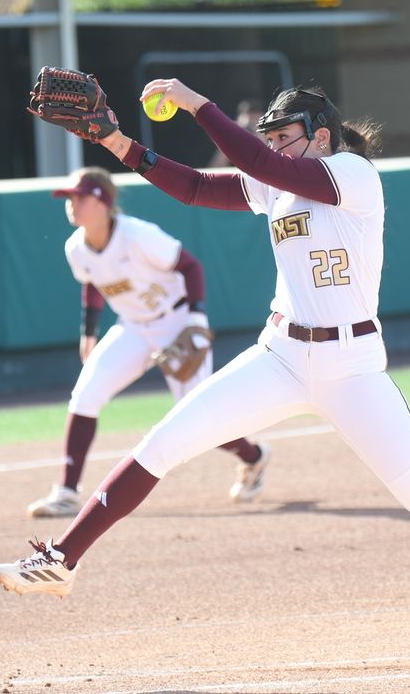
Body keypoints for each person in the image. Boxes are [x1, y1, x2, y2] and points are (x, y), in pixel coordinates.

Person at [0, 77, 410, 653]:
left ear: (320, 134)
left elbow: (256, 164)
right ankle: (61, 560)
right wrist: (119, 141)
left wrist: (193, 101)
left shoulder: (352, 174)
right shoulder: (278, 178)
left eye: (284, 134)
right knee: (164, 442)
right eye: (271, 137)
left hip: (353, 366)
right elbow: (198, 188)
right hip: (281, 353)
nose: (273, 147)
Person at [26, 166, 271, 517]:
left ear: (102, 201)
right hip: (133, 329)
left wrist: (196, 316)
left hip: (177, 321)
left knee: (195, 418)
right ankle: (66, 491)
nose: (72, 204)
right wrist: (89, 332)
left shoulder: (137, 235)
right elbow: (93, 283)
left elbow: (190, 268)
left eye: (79, 197)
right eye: (69, 198)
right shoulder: (76, 248)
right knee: (85, 394)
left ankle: (255, 456)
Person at [206, 98, 264, 167]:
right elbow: (213, 170)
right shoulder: (231, 140)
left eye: (255, 121)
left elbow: (268, 164)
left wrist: (260, 134)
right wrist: (230, 138)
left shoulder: (273, 141)